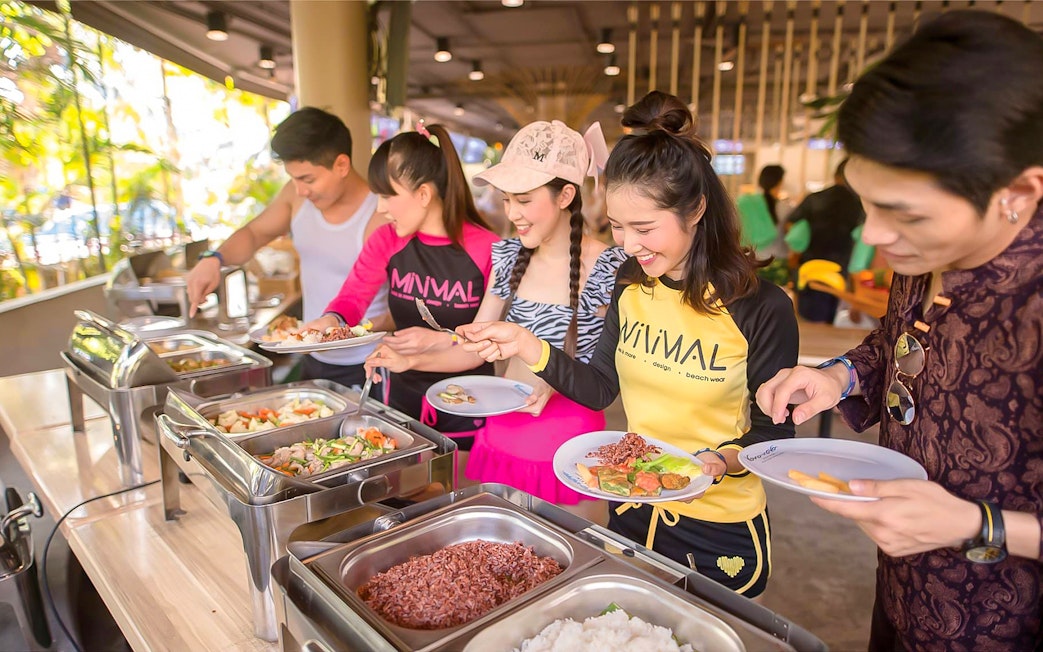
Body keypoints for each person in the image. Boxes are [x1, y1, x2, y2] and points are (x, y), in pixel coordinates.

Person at [755, 11, 1043, 650]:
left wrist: (980, 523)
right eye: (867, 202)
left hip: (1004, 620)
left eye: (903, 213)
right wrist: (838, 375)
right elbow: (898, 341)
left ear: (1017, 191)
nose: (874, 236)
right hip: (906, 585)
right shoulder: (926, 256)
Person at [459, 91, 798, 598]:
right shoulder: (630, 283)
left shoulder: (758, 306)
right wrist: (528, 345)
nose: (628, 245)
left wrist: (717, 462)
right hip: (632, 504)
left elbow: (775, 436)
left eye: (644, 228)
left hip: (717, 522)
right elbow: (599, 389)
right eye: (617, 227)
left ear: (697, 209)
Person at [364, 120, 626, 523]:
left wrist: (556, 382)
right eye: (506, 200)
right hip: (503, 432)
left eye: (523, 200)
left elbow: (612, 374)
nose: (512, 214)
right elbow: (470, 353)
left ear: (565, 195)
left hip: (570, 442)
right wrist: (410, 360)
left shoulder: (609, 266)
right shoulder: (508, 257)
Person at [305, 123, 500, 453]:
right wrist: (330, 321)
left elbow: (488, 336)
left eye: (386, 196)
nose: (379, 208)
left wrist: (419, 354)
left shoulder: (487, 248)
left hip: (470, 400)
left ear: (423, 194)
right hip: (401, 397)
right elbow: (353, 296)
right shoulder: (386, 239)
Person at [184, 107, 389, 388]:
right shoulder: (295, 196)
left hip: (367, 362)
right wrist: (214, 258)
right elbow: (255, 233)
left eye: (308, 179)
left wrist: (346, 332)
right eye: (293, 179)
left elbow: (398, 305)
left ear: (341, 165)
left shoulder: (379, 214)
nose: (300, 190)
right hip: (311, 352)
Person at [787, 160, 865, 323]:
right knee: (831, 312)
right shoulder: (860, 204)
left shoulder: (814, 198)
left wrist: (797, 248)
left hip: (810, 261)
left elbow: (791, 224)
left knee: (805, 314)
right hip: (841, 264)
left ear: (835, 175)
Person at [736, 164, 787, 258]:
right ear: (780, 182)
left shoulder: (744, 202)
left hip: (749, 261)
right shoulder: (784, 208)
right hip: (776, 261)